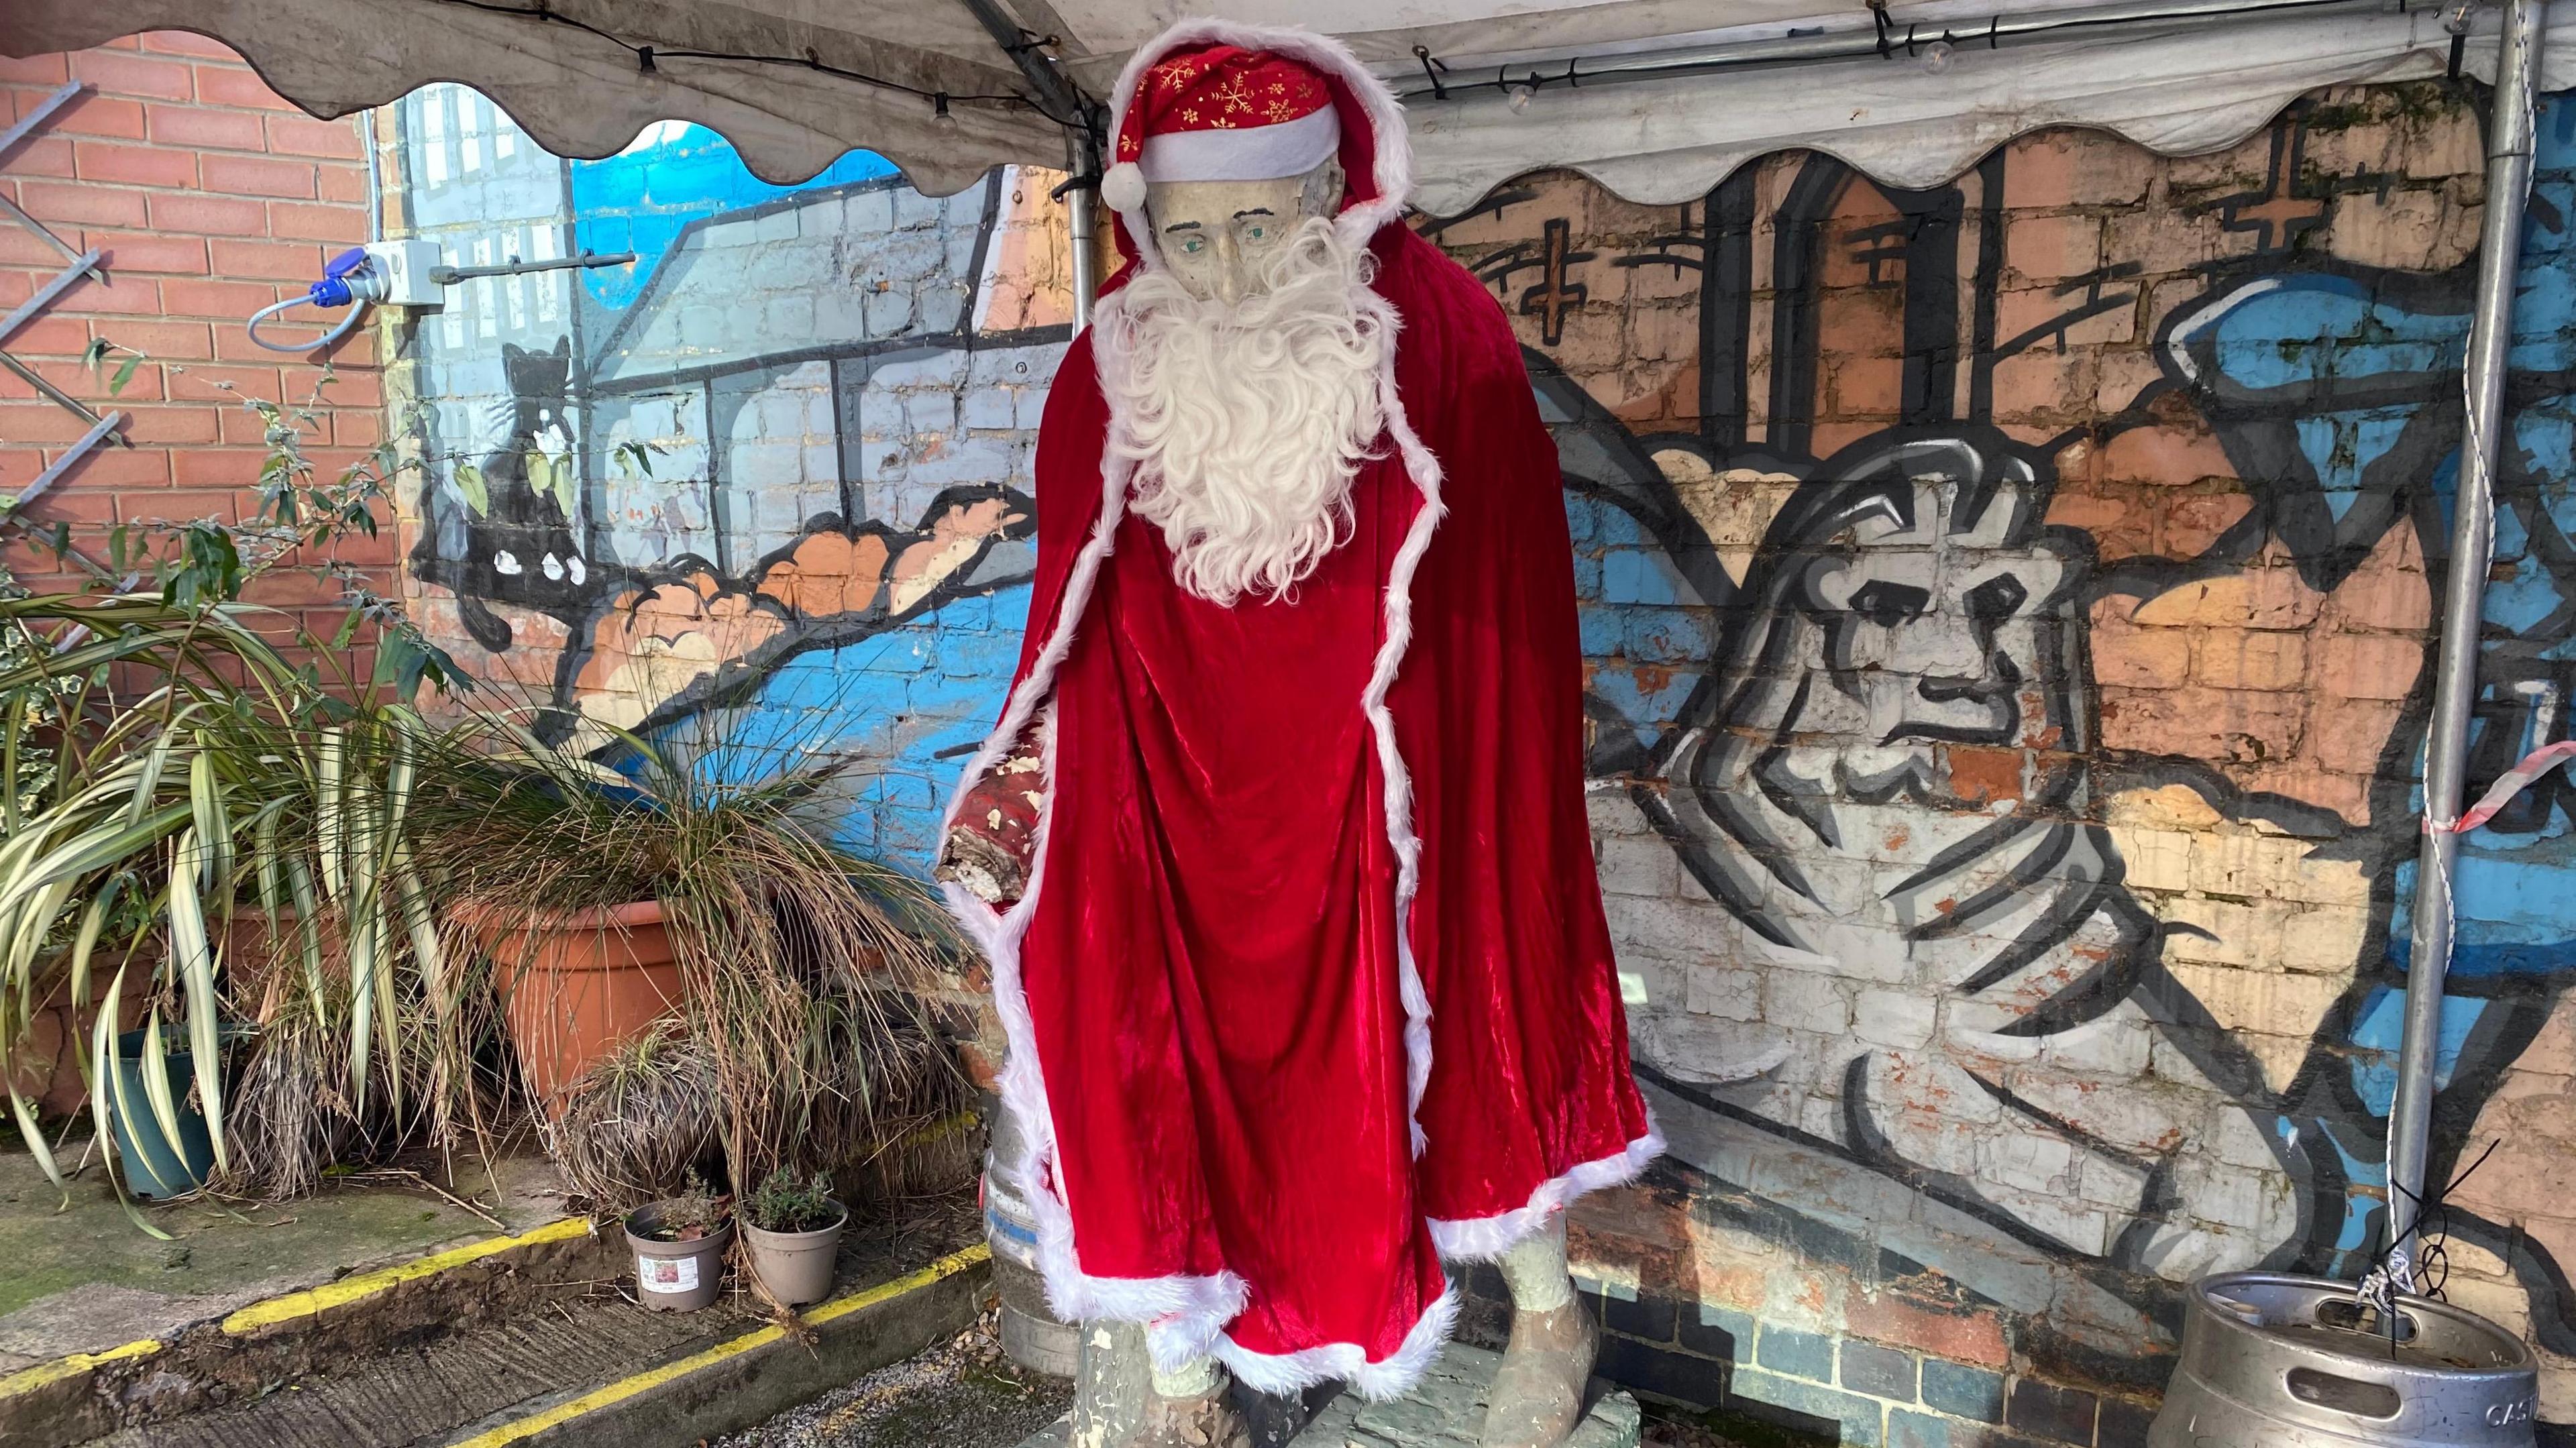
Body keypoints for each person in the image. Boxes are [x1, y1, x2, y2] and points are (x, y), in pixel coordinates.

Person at [937, 23, 1657, 1447]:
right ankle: (1184, 1383)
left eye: (1256, 223)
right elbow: (1075, 600)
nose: (1219, 267)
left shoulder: (1444, 344)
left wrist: (1439, 779)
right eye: (1185, 233)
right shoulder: (1113, 362)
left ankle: (1552, 1306)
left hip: (1391, 787)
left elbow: (1502, 611)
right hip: (1178, 789)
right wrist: (1033, 771)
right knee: (1138, 1045)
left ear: (1334, 196)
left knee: (1467, 1019)